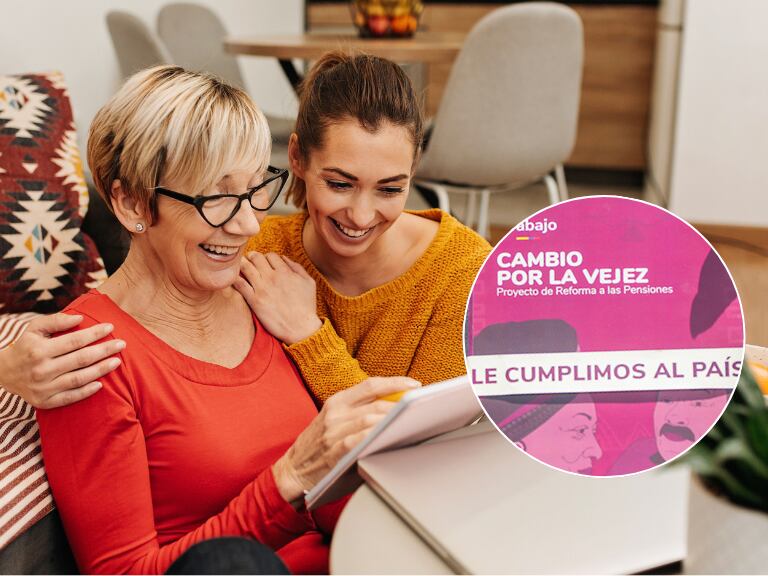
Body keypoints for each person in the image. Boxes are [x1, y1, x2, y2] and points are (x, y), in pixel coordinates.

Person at [33, 65, 418, 575]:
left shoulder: (265, 292)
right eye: (216, 198)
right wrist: (290, 476)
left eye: (257, 189)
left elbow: (331, 504)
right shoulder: (89, 355)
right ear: (130, 202)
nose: (248, 224)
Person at [0, 51, 491, 407]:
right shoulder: (249, 246)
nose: (362, 216)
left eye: (390, 189)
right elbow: (138, 310)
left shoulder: (463, 271)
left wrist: (308, 335)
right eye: (339, 184)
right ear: (296, 157)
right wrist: (8, 367)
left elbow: (414, 446)